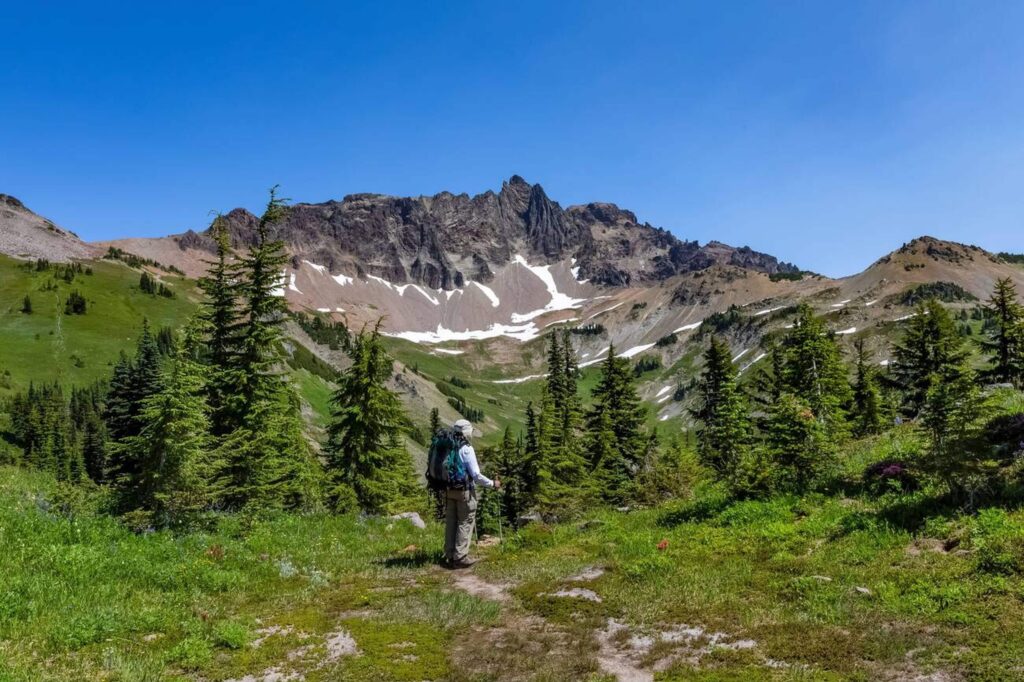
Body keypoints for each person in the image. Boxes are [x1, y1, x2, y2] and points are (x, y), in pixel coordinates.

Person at [444, 418, 500, 569]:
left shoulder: (448, 445)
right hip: (464, 491)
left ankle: (449, 554)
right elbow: (476, 474)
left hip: (449, 490)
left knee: (451, 521)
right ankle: (460, 556)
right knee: (465, 521)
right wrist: (492, 484)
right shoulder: (466, 449)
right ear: (466, 432)